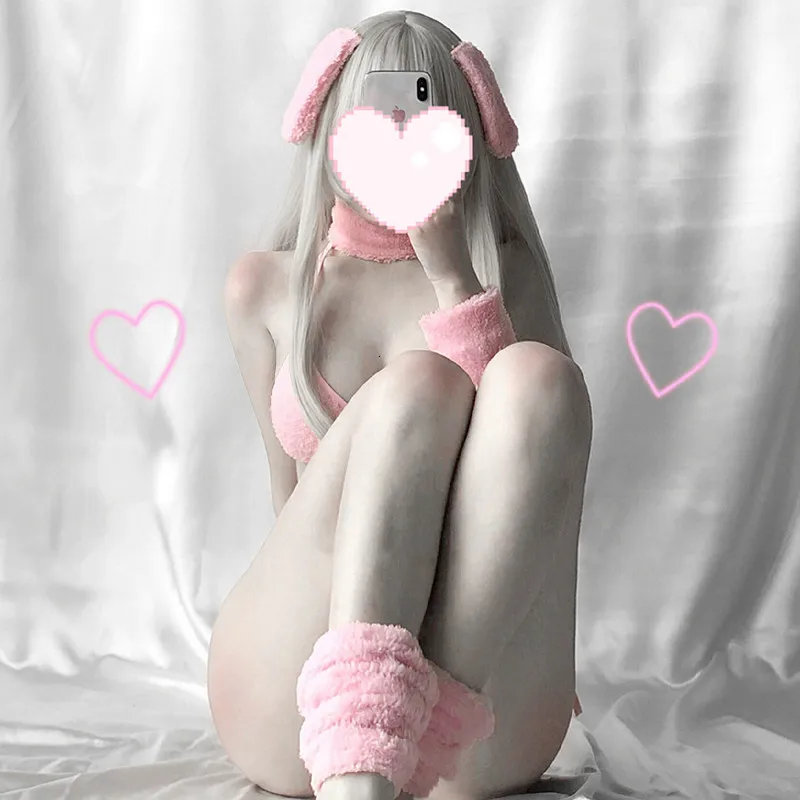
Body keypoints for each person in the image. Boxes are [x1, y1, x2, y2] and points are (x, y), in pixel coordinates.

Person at [207, 10, 592, 800]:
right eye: (376, 111)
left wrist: (455, 283)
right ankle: (357, 755)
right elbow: (291, 511)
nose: (401, 133)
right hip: (293, 689)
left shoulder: (506, 277)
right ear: (328, 120)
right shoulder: (266, 288)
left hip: (475, 712)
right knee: (418, 384)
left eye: (425, 110)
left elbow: (528, 491)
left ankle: (395, 741)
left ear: (469, 129)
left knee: (540, 381)